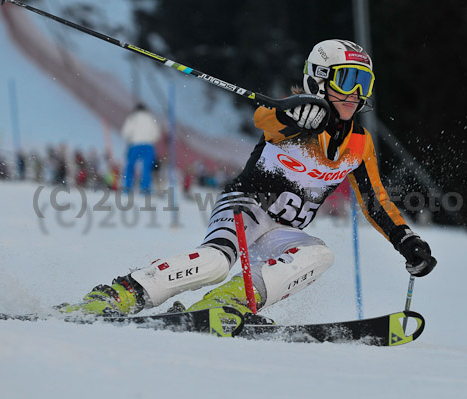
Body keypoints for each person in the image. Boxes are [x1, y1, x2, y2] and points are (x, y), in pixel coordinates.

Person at [60, 39, 436, 317]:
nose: (354, 94)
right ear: (319, 80)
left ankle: (229, 303)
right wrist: (294, 115)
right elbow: (265, 121)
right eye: (347, 80)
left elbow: (376, 200)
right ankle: (121, 294)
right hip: (245, 209)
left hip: (281, 232)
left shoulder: (359, 144)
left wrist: (406, 240)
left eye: (363, 84)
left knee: (320, 254)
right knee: (216, 262)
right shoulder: (294, 119)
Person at [121, 103, 161, 194]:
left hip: (135, 144)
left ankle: (127, 187)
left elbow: (125, 132)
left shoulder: (133, 117)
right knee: (146, 168)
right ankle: (145, 189)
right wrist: (150, 139)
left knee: (130, 166)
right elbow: (157, 133)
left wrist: (130, 139)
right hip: (148, 145)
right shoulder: (151, 118)